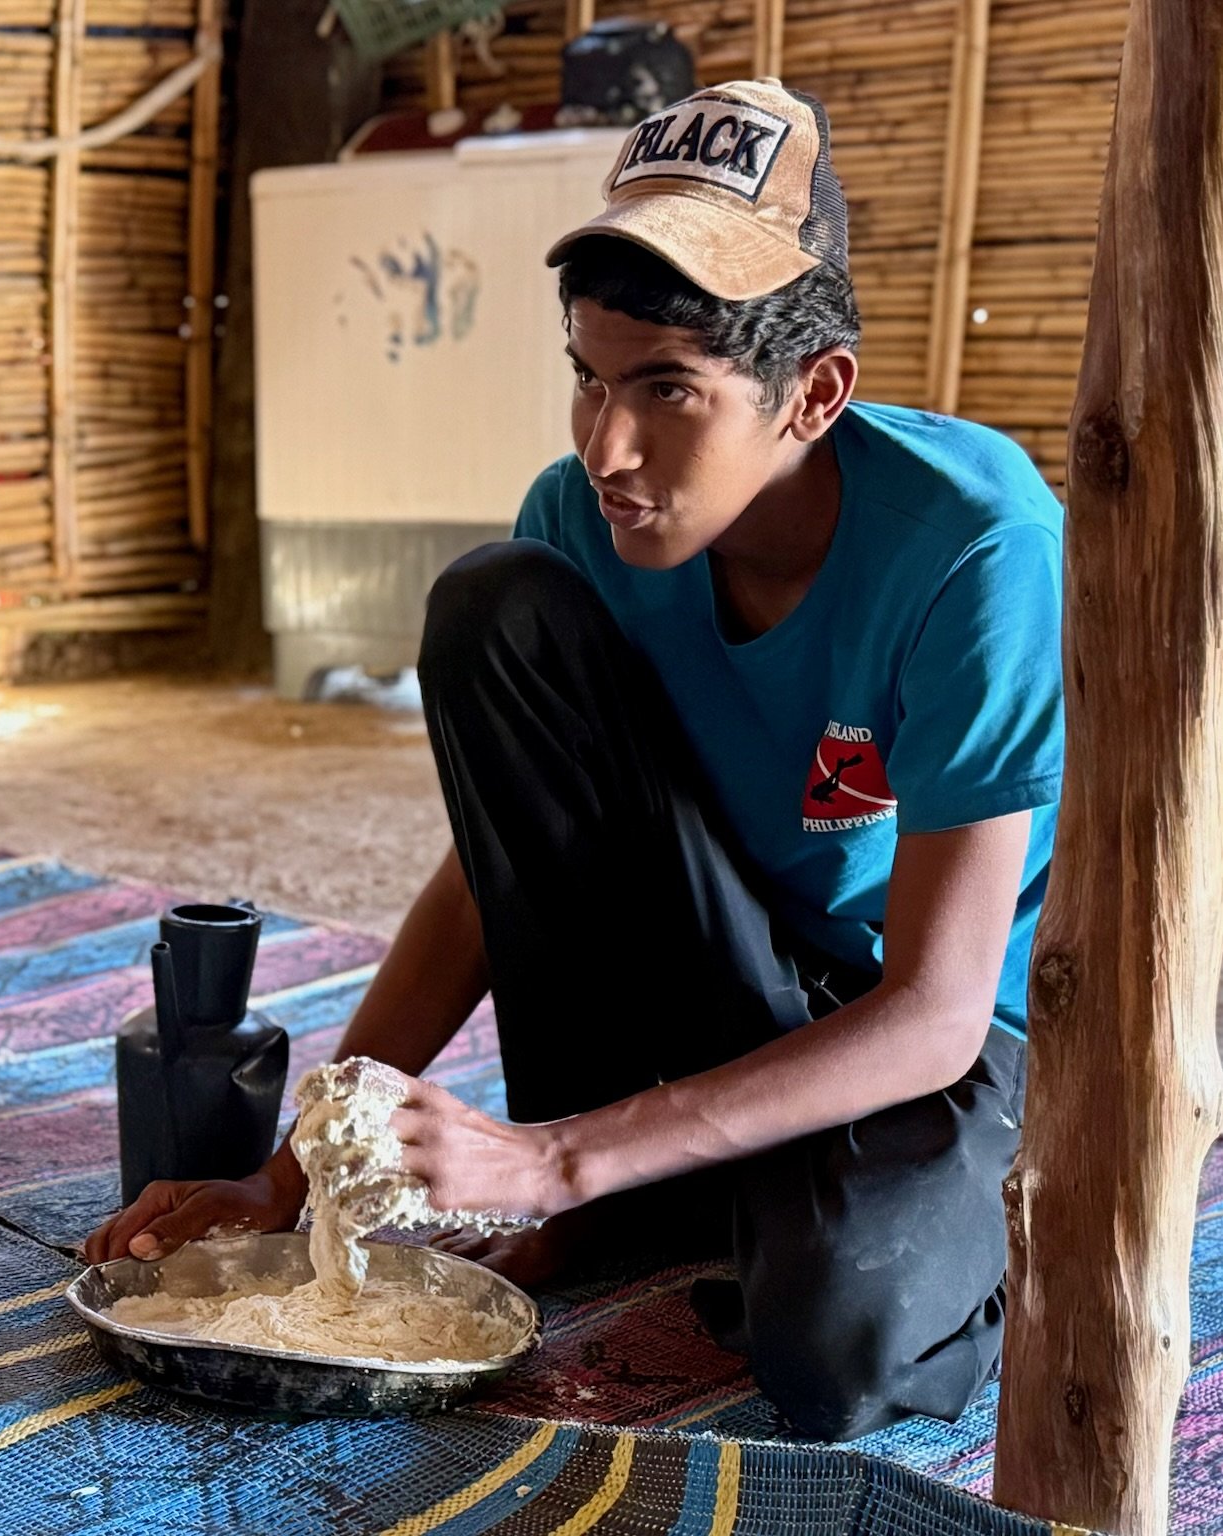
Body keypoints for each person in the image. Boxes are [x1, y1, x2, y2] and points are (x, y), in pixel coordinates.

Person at [86, 80, 1063, 1442]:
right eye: (588, 379)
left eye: (668, 388)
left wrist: (553, 1160)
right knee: (492, 601)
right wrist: (286, 1178)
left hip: (920, 1033)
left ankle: (847, 1196)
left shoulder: (970, 541)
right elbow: (497, 875)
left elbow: (936, 1010)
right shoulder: (578, 524)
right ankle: (674, 1177)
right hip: (720, 976)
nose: (608, 447)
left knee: (843, 1350)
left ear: (812, 394)